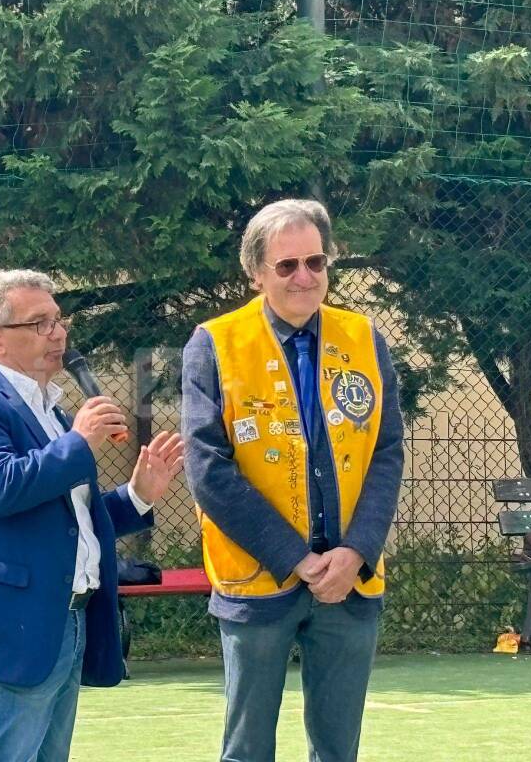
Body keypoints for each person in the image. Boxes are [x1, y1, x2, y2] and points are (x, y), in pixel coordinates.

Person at [0, 268, 184, 761]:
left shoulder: (54, 413)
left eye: (59, 321)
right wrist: (78, 442)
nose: (60, 334)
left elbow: (73, 518)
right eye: (40, 324)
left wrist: (138, 493)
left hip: (65, 621)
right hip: (6, 624)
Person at [181, 199, 404, 762]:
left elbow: (386, 450)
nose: (304, 277)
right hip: (260, 581)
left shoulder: (365, 338)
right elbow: (208, 469)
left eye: (316, 262)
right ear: (256, 272)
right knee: (248, 748)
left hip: (349, 582)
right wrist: (295, 557)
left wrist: (356, 551)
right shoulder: (215, 343)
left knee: (338, 750)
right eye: (286, 266)